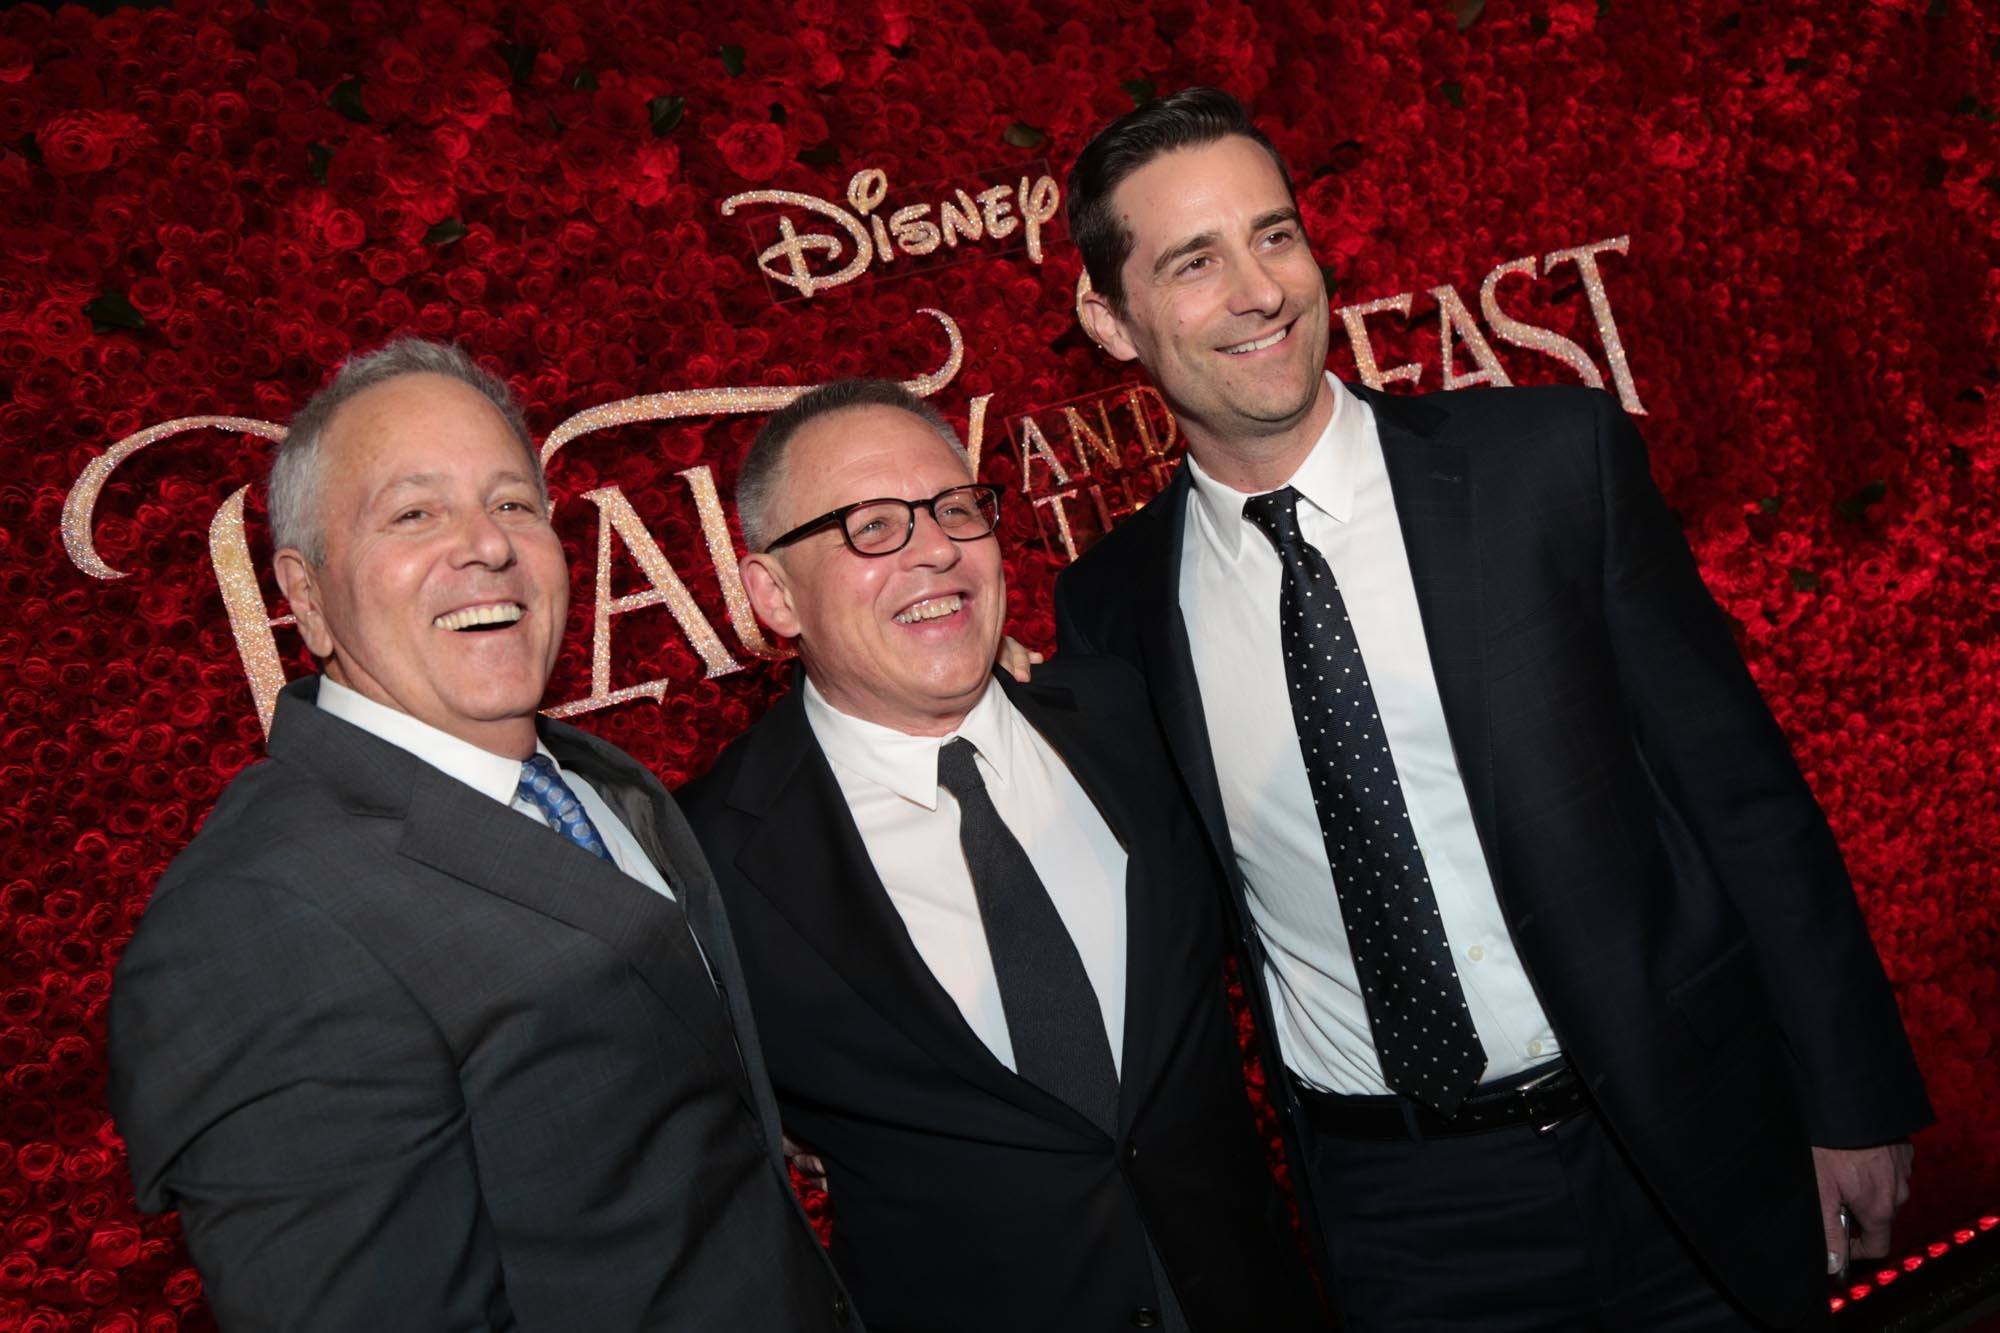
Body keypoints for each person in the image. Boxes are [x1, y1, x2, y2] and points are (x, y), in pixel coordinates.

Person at [1055, 87, 1932, 1330]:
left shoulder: (1546, 465)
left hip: (1678, 1137)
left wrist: (1849, 1094)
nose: (1259, 291)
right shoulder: (1114, 605)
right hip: (1405, 1215)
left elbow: (1740, 791)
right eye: (1193, 261)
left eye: (1274, 235)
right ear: (1107, 317)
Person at [107, 339, 855, 1331]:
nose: (487, 546)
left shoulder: (598, 780)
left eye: (512, 503)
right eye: (414, 514)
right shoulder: (249, 926)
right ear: (305, 593)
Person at [676, 379, 1328, 1333]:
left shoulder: (1131, 713)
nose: (935, 548)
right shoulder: (706, 860)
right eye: (870, 526)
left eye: (954, 508)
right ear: (774, 594)